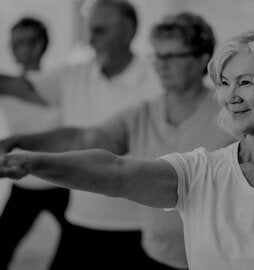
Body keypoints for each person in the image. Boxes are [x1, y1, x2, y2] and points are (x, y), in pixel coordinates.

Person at [2, 25, 254, 270]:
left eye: (246, 82)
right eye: (225, 83)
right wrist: (33, 161)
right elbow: (116, 171)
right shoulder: (200, 171)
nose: (231, 96)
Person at [0, 12, 234, 269]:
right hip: (157, 254)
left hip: (216, 259)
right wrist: (20, 143)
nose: (161, 64)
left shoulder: (231, 113)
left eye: (172, 56)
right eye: (157, 55)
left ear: (202, 58)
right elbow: (86, 138)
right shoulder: (142, 114)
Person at [2, 0, 162, 269]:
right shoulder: (73, 75)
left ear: (127, 32)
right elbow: (19, 86)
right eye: (90, 30)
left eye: (100, 31)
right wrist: (15, 142)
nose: (91, 40)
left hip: (137, 226)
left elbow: (89, 140)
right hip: (82, 220)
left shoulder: (156, 81)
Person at [0, 17, 66, 270]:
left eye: (21, 42)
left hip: (61, 181)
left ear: (38, 46)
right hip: (25, 182)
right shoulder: (7, 86)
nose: (13, 48)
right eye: (12, 42)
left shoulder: (59, 83)